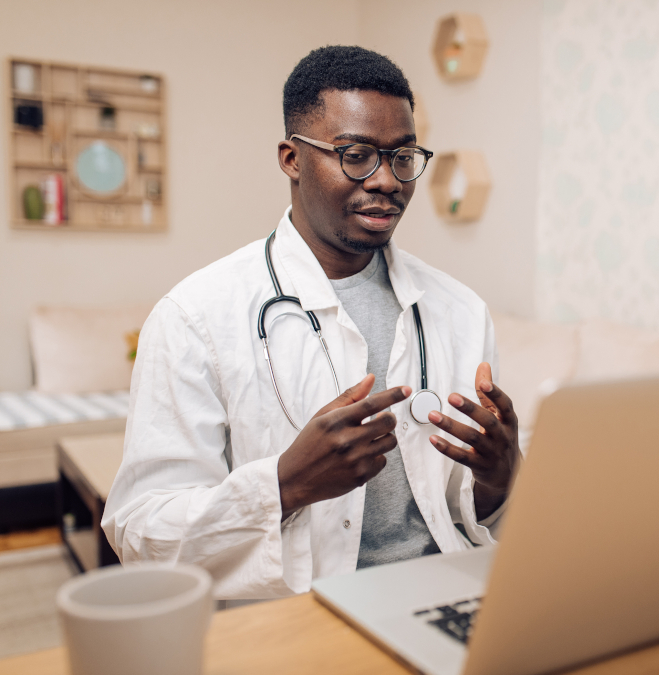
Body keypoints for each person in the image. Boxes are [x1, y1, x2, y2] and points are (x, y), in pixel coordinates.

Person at [102, 46, 522, 600]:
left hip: (444, 593)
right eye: (355, 154)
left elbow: (475, 516)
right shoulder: (195, 317)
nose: (387, 181)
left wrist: (498, 479)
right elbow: (140, 533)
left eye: (402, 156)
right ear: (291, 159)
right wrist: (284, 485)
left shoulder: (459, 309)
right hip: (297, 615)